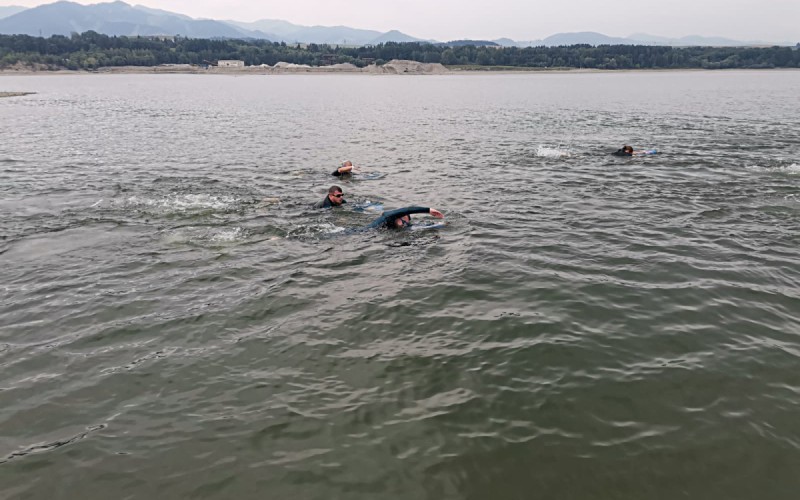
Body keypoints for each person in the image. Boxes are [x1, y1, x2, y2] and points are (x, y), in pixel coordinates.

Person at [367, 206, 444, 230]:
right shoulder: (389, 217)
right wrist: (428, 210)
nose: (404, 224)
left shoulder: (389, 226)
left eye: (406, 223)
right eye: (403, 221)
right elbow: (407, 210)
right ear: (398, 217)